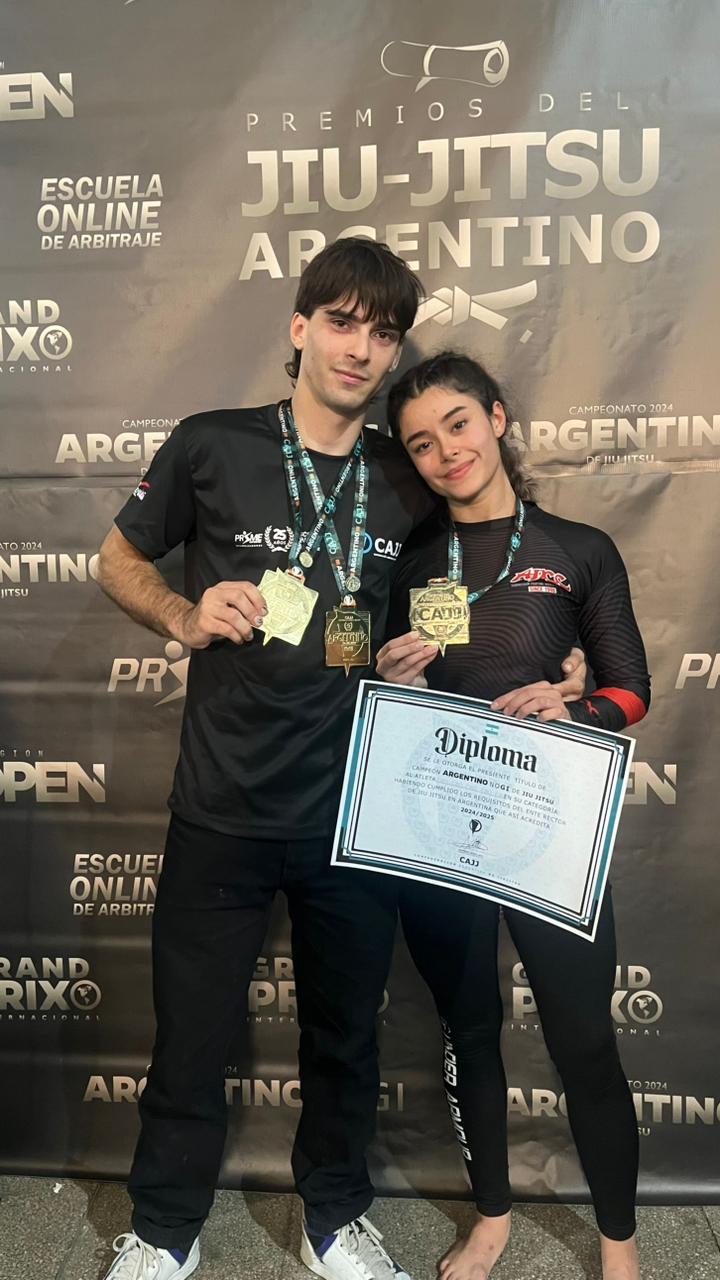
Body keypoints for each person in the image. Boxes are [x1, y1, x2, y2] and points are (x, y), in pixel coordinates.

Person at [96, 241, 584, 1280]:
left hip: (358, 812)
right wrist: (182, 614)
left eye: (384, 331)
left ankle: (333, 1220)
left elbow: (489, 579)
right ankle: (164, 1229)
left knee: (345, 1038)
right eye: (343, 322)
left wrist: (565, 657)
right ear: (301, 327)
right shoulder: (212, 443)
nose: (361, 347)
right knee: (190, 1037)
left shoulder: (407, 473)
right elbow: (117, 556)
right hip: (222, 804)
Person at [376, 351, 650, 1280]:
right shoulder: (410, 560)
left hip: (549, 827)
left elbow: (633, 690)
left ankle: (619, 1246)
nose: (445, 451)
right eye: (421, 443)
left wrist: (578, 709)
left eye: (457, 424)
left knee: (584, 1041)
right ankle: (490, 1218)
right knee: (469, 1033)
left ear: (496, 418)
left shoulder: (578, 549)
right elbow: (356, 682)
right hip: (440, 830)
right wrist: (384, 676)